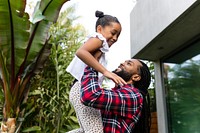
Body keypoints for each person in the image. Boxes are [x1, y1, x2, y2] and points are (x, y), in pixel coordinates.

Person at [66, 10, 126, 133]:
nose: (115, 38)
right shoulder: (99, 39)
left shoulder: (101, 45)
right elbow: (81, 52)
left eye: (117, 36)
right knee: (95, 131)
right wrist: (106, 72)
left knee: (87, 130)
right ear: (99, 29)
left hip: (79, 89)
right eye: (113, 33)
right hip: (82, 89)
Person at [80, 59, 151, 133]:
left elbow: (91, 96)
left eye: (129, 64)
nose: (122, 63)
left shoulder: (134, 95)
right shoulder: (115, 93)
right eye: (124, 61)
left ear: (135, 77)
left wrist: (92, 66)